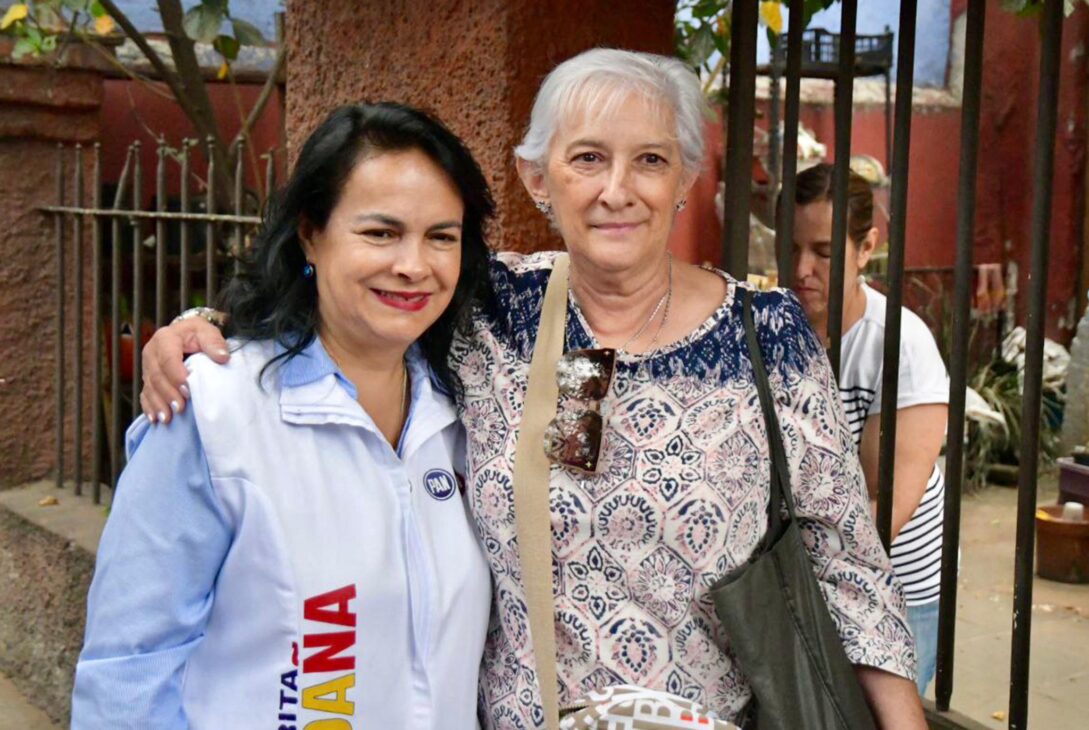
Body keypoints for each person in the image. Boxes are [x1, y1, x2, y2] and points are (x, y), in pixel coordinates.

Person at [139, 50, 926, 728]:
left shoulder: (767, 333)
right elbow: (354, 300)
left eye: (649, 160)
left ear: (685, 175)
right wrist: (200, 328)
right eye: (587, 158)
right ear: (535, 175)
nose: (617, 189)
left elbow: (848, 568)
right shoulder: (491, 307)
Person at [71, 103, 494, 729]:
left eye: (442, 236)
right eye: (380, 233)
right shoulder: (212, 410)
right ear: (310, 234)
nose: (414, 265)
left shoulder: (466, 408)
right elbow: (129, 667)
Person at [789, 163, 950, 695]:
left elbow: (884, 510)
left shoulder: (899, 345)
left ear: (867, 249)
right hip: (806, 582)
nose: (802, 269)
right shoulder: (773, 332)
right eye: (791, 250)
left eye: (825, 253)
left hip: (897, 588)